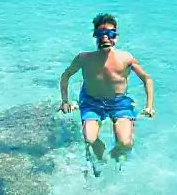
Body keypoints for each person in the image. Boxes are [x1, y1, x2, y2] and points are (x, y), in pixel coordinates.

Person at [58, 13, 155, 176]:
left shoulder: (126, 58)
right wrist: (65, 101)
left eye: (110, 34)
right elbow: (66, 75)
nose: (105, 38)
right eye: (100, 34)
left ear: (115, 36)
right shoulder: (84, 58)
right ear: (94, 36)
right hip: (91, 102)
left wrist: (149, 106)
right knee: (89, 138)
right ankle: (101, 158)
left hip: (119, 103)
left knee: (125, 143)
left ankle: (111, 158)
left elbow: (147, 79)